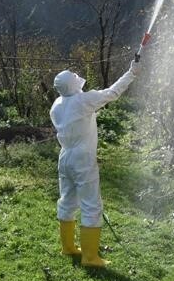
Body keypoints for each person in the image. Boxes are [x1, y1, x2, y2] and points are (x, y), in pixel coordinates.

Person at [50, 61, 139, 267]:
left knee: (67, 201)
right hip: (82, 159)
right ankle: (90, 257)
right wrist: (131, 72)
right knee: (91, 205)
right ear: (74, 85)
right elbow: (113, 93)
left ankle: (68, 247)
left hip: (65, 158)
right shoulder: (83, 100)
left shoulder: (57, 105)